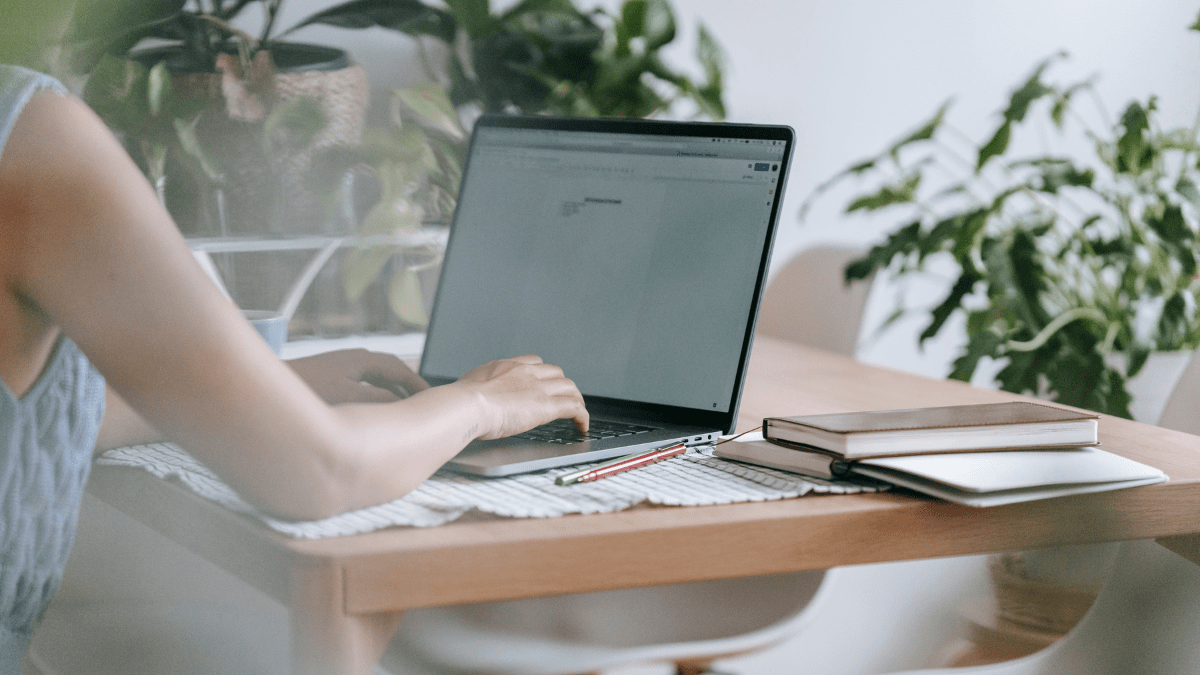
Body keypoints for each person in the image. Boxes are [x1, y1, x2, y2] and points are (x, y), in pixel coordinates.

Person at [0, 7, 588, 667]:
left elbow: (32, 420)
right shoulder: (28, 131)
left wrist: (269, 390)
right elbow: (317, 472)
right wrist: (482, 402)